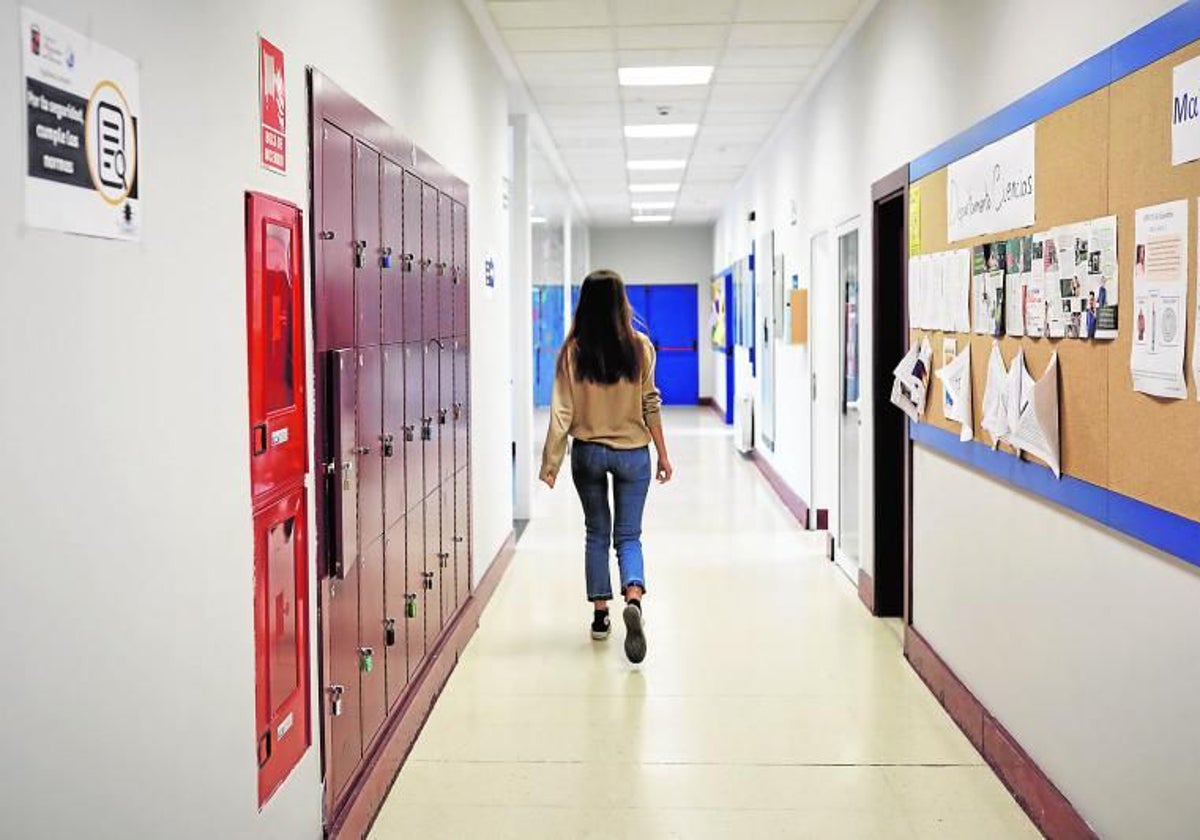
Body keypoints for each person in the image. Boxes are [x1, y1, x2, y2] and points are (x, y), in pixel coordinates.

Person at [540, 269, 672, 664]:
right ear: (621, 303)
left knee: (597, 533)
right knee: (628, 535)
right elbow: (651, 403)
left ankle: (601, 617)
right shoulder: (642, 347)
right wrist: (663, 454)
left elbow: (562, 412)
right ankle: (633, 594)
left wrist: (551, 463)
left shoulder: (572, 351)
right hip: (633, 452)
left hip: (589, 453)